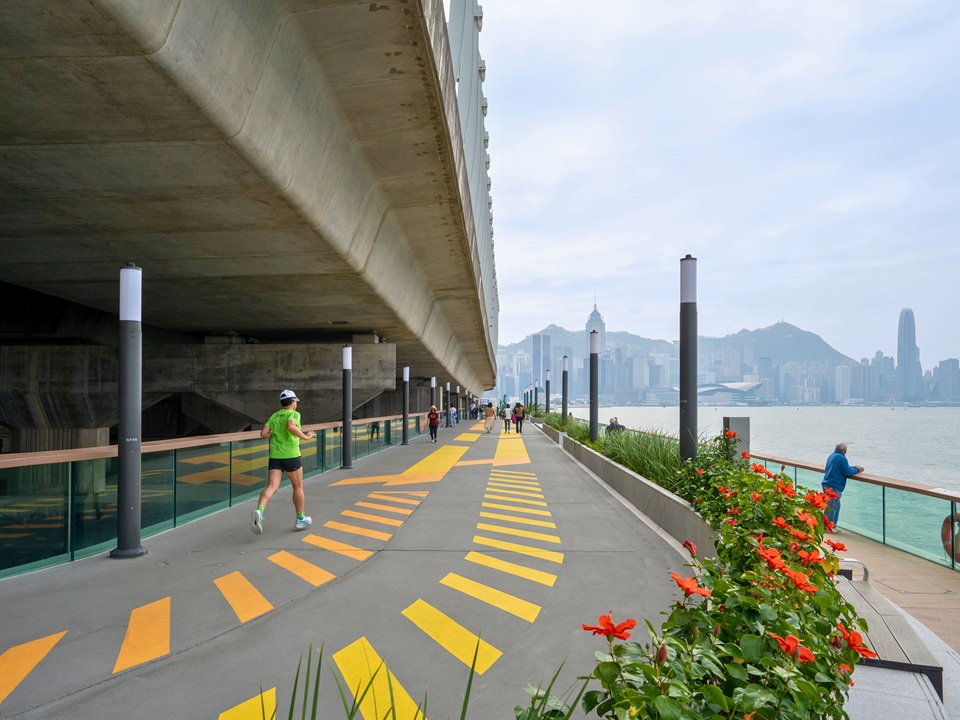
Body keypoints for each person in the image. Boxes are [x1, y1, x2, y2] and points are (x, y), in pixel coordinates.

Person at [253, 389, 316, 534]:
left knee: (272, 486)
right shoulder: (294, 414)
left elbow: (263, 433)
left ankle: (260, 511)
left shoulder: (275, 415)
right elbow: (291, 426)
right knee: (298, 487)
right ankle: (300, 519)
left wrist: (276, 434)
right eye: (296, 401)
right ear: (293, 402)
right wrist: (306, 437)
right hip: (291, 456)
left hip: (275, 456)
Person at [822, 442, 864, 531]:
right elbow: (847, 472)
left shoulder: (831, 456)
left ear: (835, 449)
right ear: (845, 451)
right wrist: (858, 469)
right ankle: (827, 527)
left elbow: (843, 468)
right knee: (832, 506)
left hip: (827, 483)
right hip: (833, 485)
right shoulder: (842, 458)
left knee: (834, 505)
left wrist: (853, 467)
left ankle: (831, 526)